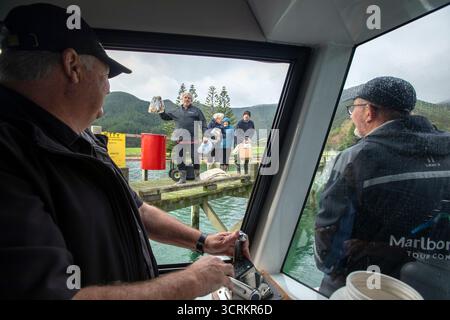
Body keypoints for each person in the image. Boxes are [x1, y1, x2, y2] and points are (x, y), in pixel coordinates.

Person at [0, 3, 249, 299]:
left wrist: (205, 241)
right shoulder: (9, 154)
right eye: (106, 76)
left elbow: (137, 210)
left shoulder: (82, 141)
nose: (107, 89)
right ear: (72, 66)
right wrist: (191, 282)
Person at [314, 76, 450, 297]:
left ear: (369, 111)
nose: (352, 116)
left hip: (366, 284)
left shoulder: (355, 159)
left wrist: (332, 267)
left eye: (353, 109)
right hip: (434, 284)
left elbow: (328, 243)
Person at [159, 92, 207, 183]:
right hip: (179, 139)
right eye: (185, 97)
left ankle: (197, 177)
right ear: (182, 99)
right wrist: (161, 111)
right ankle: (182, 178)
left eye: (189, 98)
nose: (187, 99)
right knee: (179, 157)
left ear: (191, 100)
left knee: (195, 157)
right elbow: (165, 117)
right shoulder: (176, 111)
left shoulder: (196, 110)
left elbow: (203, 122)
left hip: (193, 138)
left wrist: (205, 135)